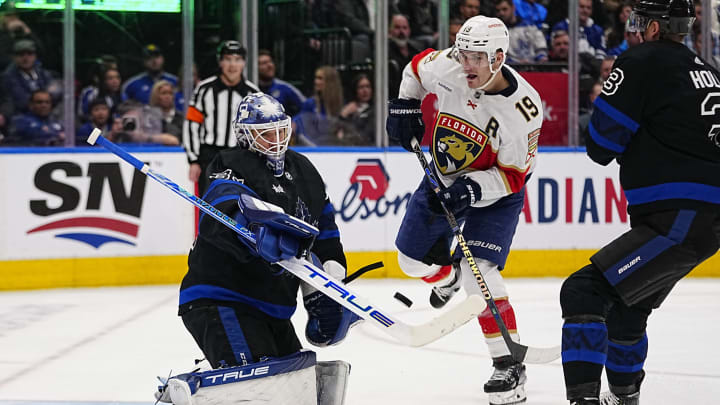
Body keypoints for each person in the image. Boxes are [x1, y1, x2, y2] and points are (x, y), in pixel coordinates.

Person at [560, 0, 720, 404]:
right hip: (701, 218)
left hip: (680, 216)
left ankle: (584, 400)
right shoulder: (707, 71)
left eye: (639, 22)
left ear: (653, 28)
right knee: (628, 307)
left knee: (583, 292)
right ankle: (625, 397)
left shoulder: (640, 60)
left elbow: (600, 145)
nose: (634, 30)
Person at [386, 15, 543, 405]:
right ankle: (448, 276)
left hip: (495, 193)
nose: (466, 64)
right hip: (442, 177)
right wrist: (405, 105)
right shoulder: (449, 66)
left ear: (499, 57)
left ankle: (508, 364)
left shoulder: (523, 111)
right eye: (463, 54)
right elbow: (414, 69)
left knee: (483, 277)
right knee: (410, 263)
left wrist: (473, 189)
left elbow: (513, 177)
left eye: (476, 57)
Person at [176, 92, 359, 401]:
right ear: (246, 136)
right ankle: (200, 392)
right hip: (222, 299)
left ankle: (208, 374)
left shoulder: (304, 170)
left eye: (279, 131)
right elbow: (220, 208)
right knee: (260, 391)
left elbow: (325, 227)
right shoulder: (231, 162)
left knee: (295, 386)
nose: (275, 140)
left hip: (272, 306)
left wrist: (331, 271)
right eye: (265, 134)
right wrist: (249, 230)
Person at [183, 40, 260, 196]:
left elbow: (258, 131)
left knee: (240, 202)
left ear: (244, 63)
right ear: (220, 62)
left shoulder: (253, 93)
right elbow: (192, 124)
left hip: (241, 156)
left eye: (237, 59)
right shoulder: (204, 89)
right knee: (209, 203)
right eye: (228, 59)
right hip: (210, 156)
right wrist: (194, 160)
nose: (233, 65)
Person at [257, 49, 306, 117]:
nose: (270, 65)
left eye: (271, 61)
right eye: (264, 63)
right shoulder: (251, 89)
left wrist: (295, 122)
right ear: (256, 67)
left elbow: (307, 108)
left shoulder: (285, 88)